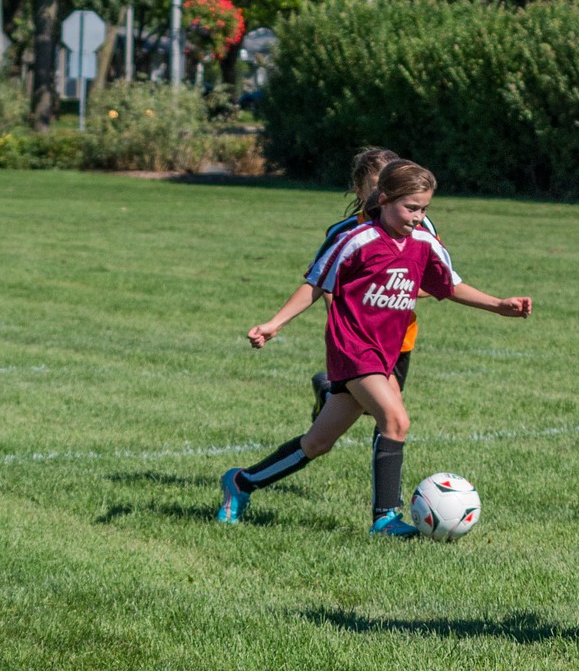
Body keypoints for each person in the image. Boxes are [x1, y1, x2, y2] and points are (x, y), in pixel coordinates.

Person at [221, 160, 533, 535]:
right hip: (352, 346)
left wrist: (499, 304)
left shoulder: (423, 244)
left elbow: (447, 286)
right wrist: (274, 324)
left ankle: (241, 482)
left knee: (317, 443)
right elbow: (316, 282)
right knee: (395, 419)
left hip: (384, 352)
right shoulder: (357, 240)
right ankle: (385, 518)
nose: (418, 217)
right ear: (383, 199)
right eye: (411, 207)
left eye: (424, 209)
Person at [249, 148, 441, 422]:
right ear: (359, 191)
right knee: (391, 413)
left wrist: (391, 288)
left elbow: (434, 282)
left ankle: (327, 393)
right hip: (357, 337)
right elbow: (320, 281)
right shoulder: (346, 232)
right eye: (376, 187)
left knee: (372, 409)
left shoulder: (421, 227)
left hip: (399, 334)